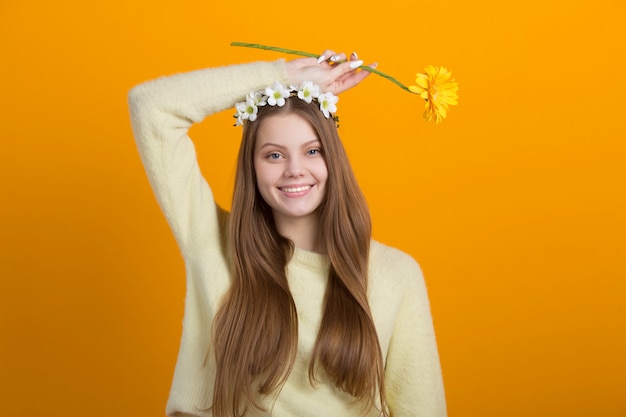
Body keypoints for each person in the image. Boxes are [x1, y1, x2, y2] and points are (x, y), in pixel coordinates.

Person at [128, 48, 447, 417]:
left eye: (312, 151)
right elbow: (150, 107)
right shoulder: (215, 243)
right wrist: (279, 76)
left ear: (333, 160)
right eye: (274, 155)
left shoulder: (395, 274)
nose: (295, 170)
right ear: (253, 166)